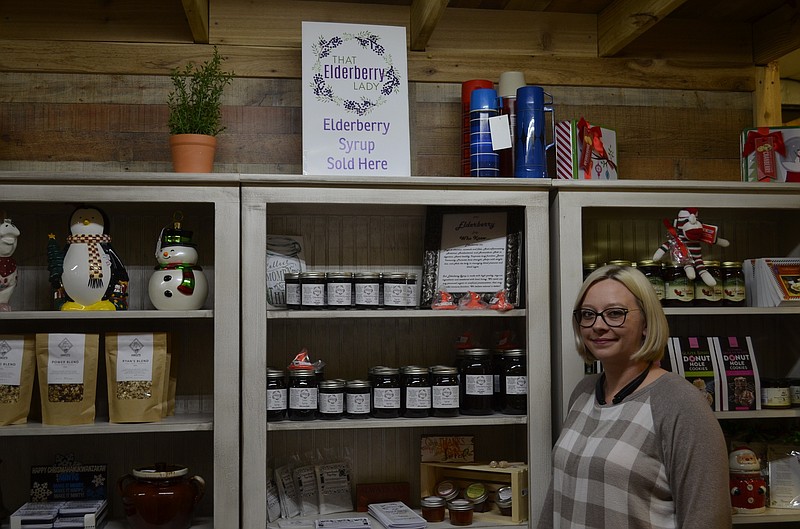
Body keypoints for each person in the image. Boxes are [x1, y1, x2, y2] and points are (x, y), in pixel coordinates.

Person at [538, 264, 731, 529]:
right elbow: (558, 499)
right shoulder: (583, 392)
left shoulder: (681, 403)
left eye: (615, 313)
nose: (598, 326)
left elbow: (708, 519)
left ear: (646, 322)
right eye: (588, 314)